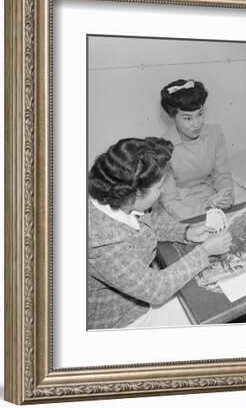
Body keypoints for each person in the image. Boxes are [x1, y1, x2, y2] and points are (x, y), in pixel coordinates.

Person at [87, 137, 232, 330]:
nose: (163, 190)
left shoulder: (121, 198)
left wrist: (186, 232)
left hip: (140, 290)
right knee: (211, 306)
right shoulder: (102, 241)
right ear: (136, 193)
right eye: (159, 187)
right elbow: (156, 289)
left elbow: (149, 220)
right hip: (121, 318)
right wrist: (204, 251)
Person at [159, 79, 234, 220]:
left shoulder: (214, 133)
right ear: (172, 116)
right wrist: (205, 208)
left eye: (199, 114)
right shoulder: (163, 148)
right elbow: (169, 200)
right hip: (181, 207)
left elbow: (222, 174)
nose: (196, 124)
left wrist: (226, 194)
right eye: (187, 118)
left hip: (210, 195)